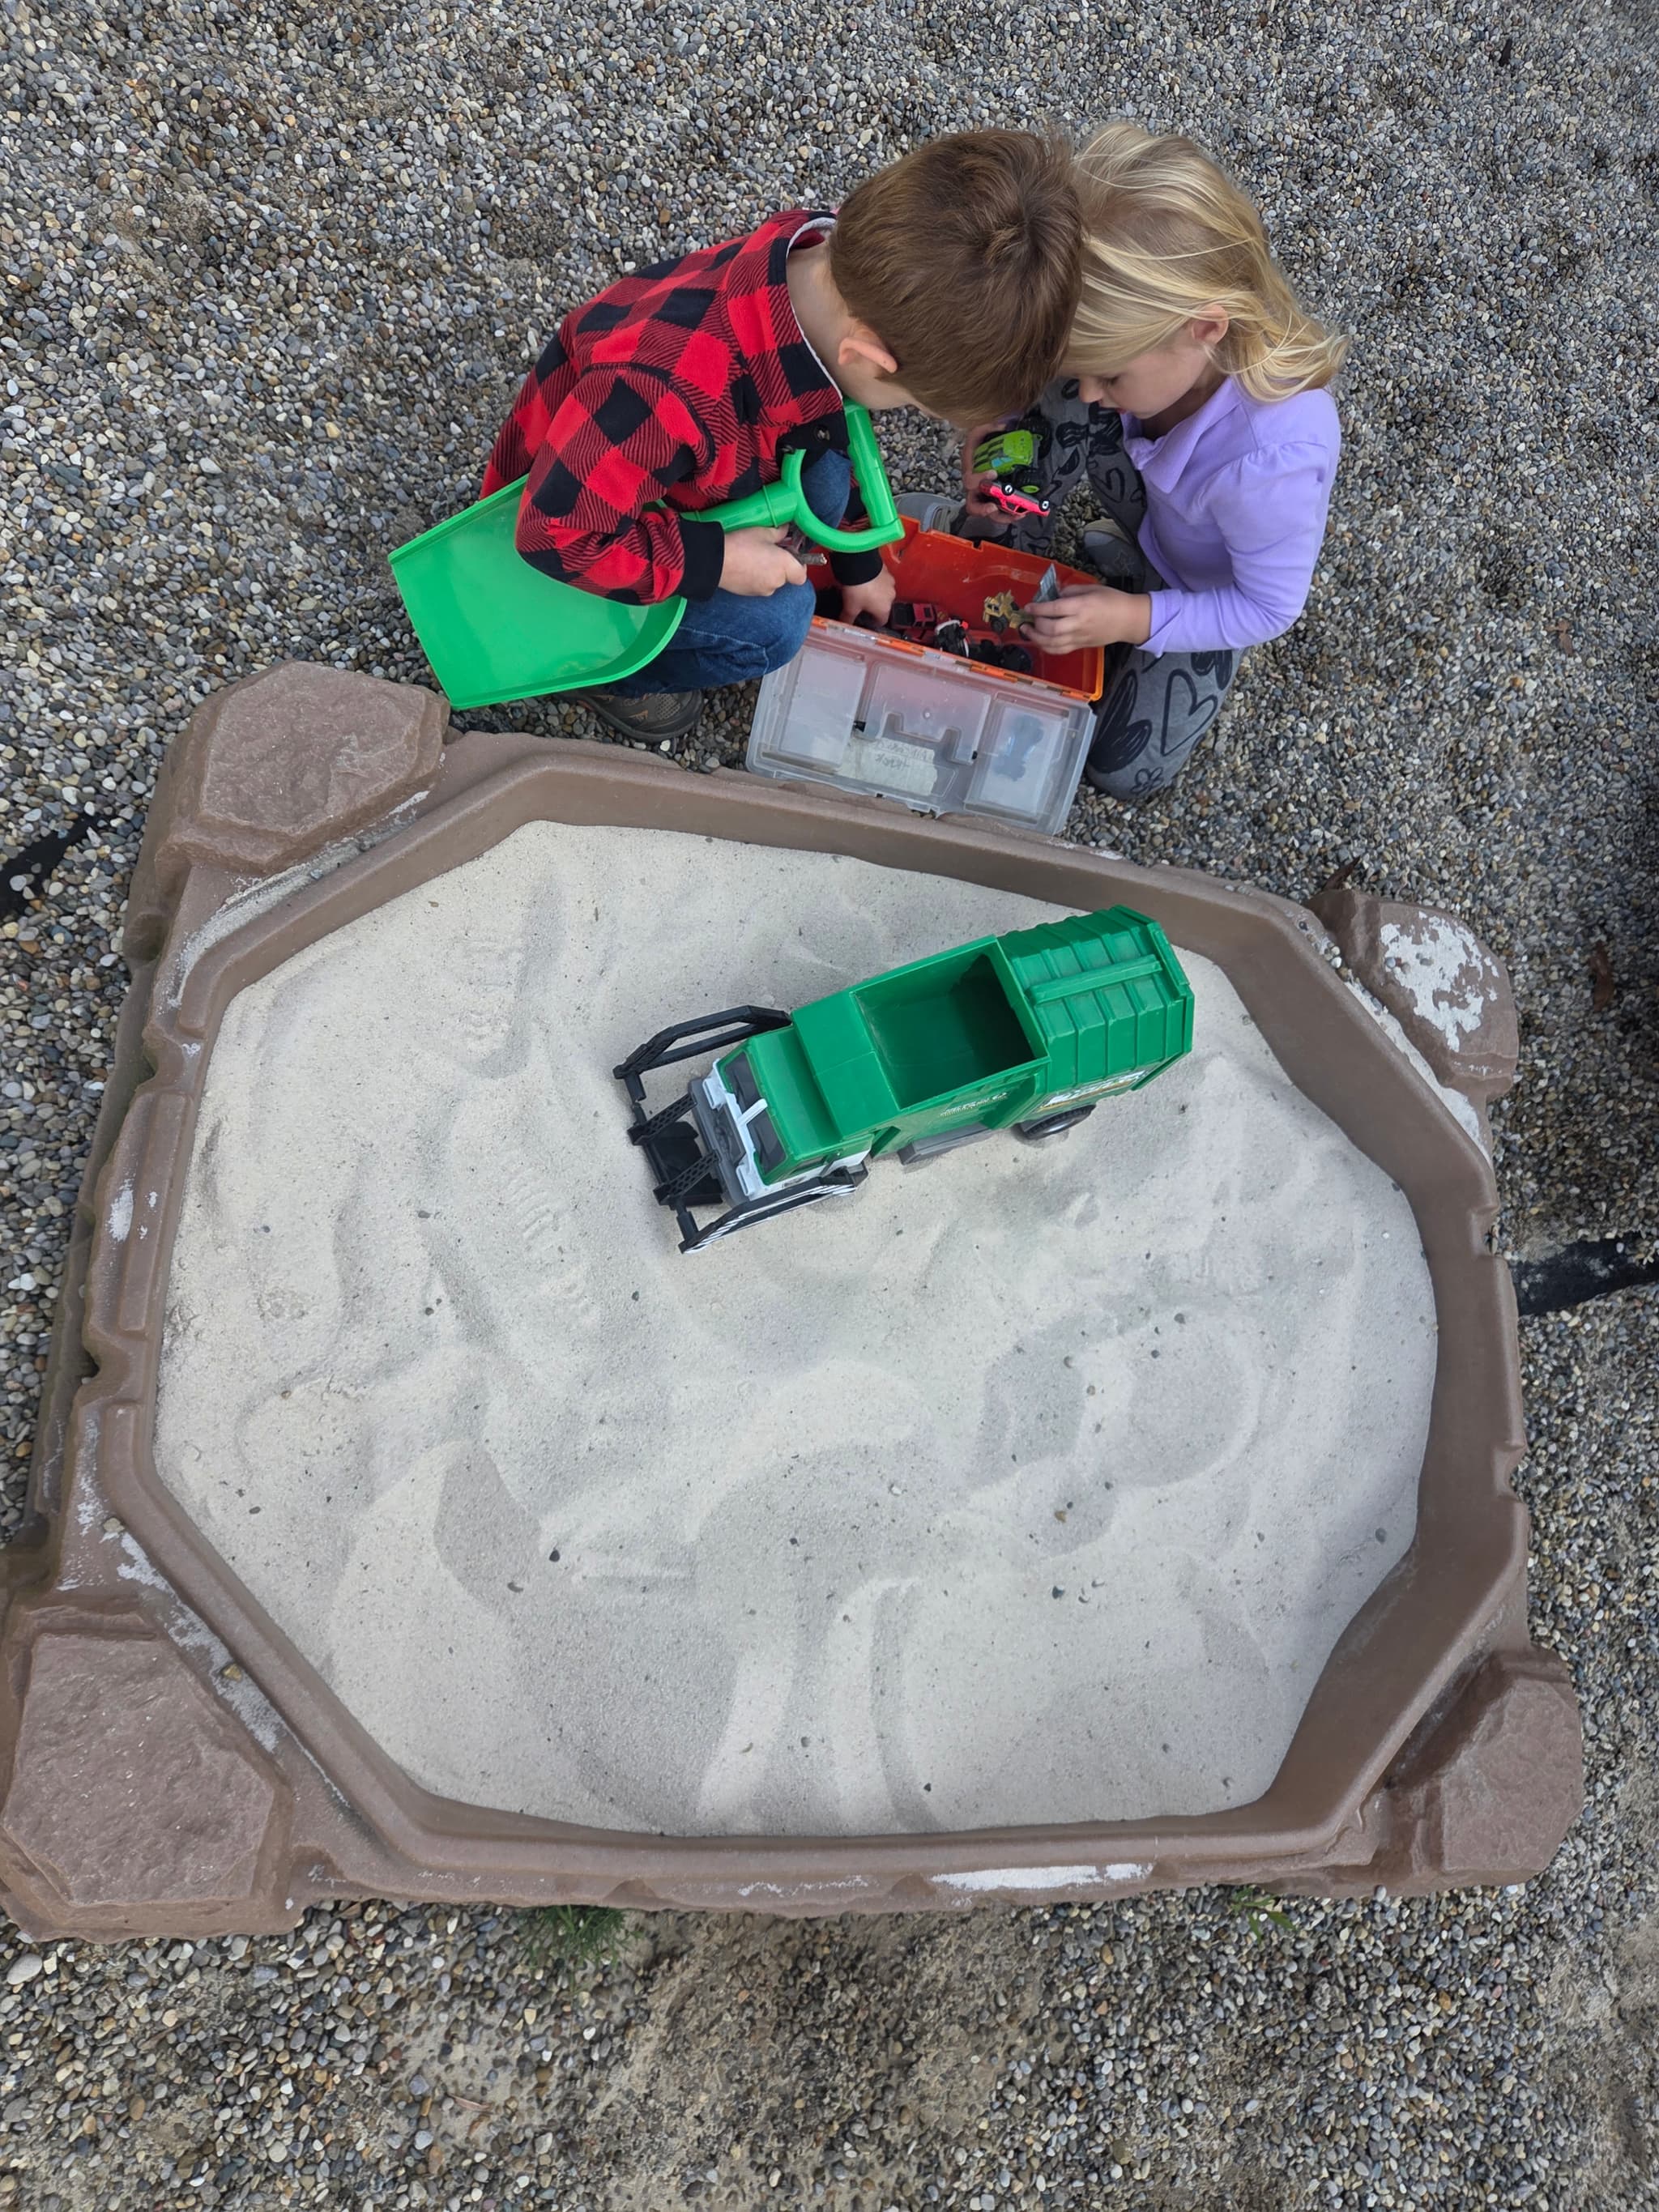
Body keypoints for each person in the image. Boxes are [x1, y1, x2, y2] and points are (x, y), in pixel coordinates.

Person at [480, 132, 1081, 744]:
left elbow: (826, 421)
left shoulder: (818, 262)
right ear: (866, 355)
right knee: (778, 625)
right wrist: (715, 561)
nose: (898, 412)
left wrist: (858, 560)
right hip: (567, 540)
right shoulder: (662, 394)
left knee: (821, 479)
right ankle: (598, 672)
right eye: (909, 402)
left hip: (666, 464)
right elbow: (552, 536)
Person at [900, 122, 1346, 802]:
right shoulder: (1146, 353)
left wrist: (1131, 620)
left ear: (1205, 328)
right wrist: (1000, 435)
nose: (1089, 393)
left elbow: (1268, 607)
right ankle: (1002, 535)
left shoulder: (1273, 463)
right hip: (1155, 501)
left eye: (1110, 374)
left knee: (1122, 771)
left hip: (1195, 584)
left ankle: (1127, 578)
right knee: (1059, 400)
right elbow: (1062, 375)